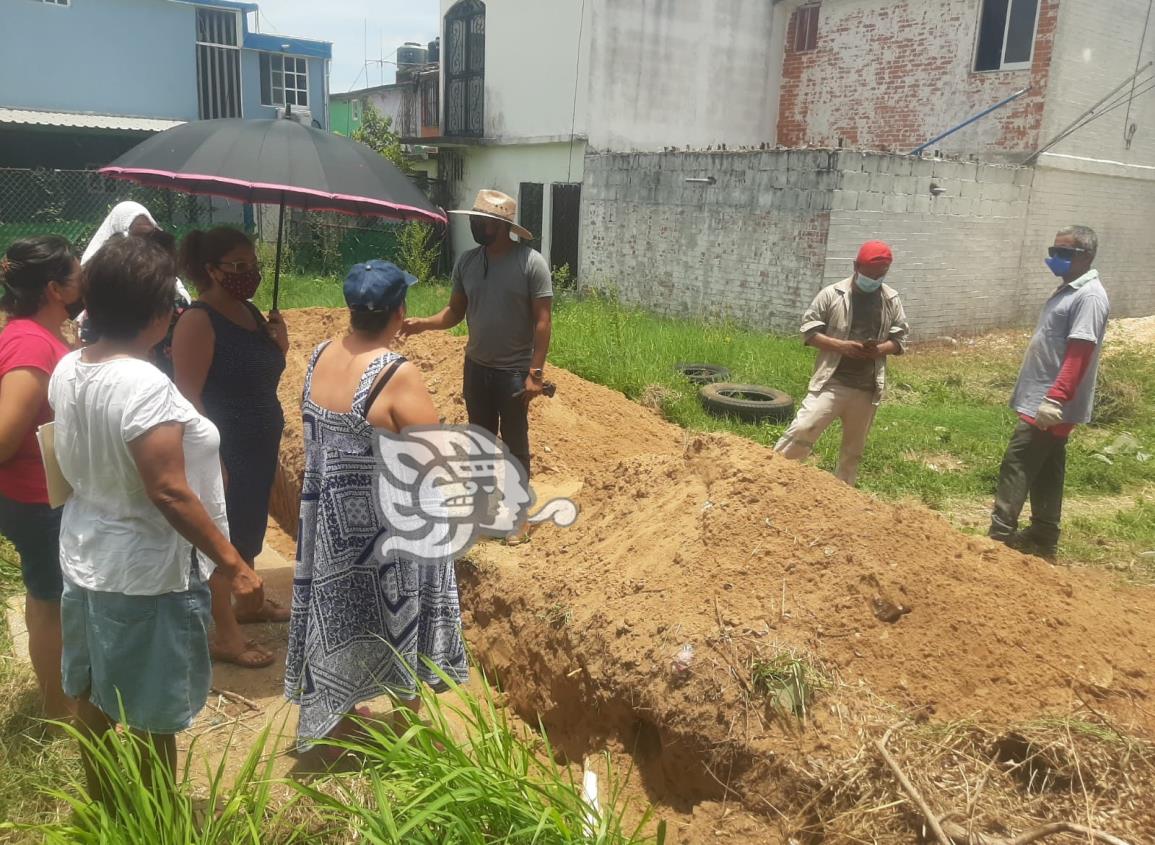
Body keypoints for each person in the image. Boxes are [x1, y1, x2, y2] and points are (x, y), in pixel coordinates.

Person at [48, 234, 263, 801]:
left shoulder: (70, 368)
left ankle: (103, 805)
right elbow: (168, 491)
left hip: (87, 556)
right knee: (151, 712)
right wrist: (232, 561)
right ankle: (157, 819)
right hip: (145, 574)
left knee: (94, 693)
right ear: (158, 312)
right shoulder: (144, 384)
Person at [285, 260, 468, 754]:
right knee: (398, 614)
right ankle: (409, 723)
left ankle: (340, 714)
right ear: (400, 311)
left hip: (331, 526)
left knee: (345, 613)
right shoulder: (395, 373)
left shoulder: (320, 354)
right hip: (387, 529)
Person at [402, 189, 553, 535]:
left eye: (479, 221)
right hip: (477, 367)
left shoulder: (531, 263)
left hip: (514, 371)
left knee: (515, 441)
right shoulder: (468, 262)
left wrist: (536, 373)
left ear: (500, 226)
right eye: (472, 219)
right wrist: (424, 324)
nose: (473, 225)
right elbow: (456, 311)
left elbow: (543, 321)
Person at [172, 227, 289, 669]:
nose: (250, 274)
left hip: (259, 441)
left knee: (248, 524)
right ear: (211, 270)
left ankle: (251, 603)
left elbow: (263, 375)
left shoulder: (252, 312)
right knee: (223, 537)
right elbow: (187, 396)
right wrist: (210, 457)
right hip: (224, 445)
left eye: (253, 265)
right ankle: (225, 634)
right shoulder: (198, 320)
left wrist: (280, 344)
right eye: (238, 267)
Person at [988, 226, 1110, 561]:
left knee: (1018, 461)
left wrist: (1055, 398)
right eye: (1053, 250)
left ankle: (998, 537)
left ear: (1086, 256)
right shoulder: (1071, 290)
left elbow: (1080, 351)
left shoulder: (1089, 296)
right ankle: (1043, 536)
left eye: (1064, 253)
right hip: (1044, 397)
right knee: (1047, 467)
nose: (1055, 258)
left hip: (1049, 402)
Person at [0, 236, 82, 720]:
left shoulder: (34, 332)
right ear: (55, 288)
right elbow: (6, 435)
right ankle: (58, 712)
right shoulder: (31, 342)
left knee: (47, 594)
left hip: (40, 496)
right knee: (50, 601)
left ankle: (60, 701)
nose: (84, 280)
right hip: (37, 500)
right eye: (77, 272)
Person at [774, 241, 910, 486]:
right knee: (803, 428)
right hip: (833, 382)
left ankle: (843, 494)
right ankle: (772, 477)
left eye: (881, 274)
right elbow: (809, 332)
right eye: (870, 274)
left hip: (868, 388)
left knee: (853, 451)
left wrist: (878, 350)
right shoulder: (832, 294)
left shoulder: (891, 299)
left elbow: (900, 340)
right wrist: (842, 346)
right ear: (856, 266)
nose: (875, 279)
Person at [77, 201, 192, 347]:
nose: (144, 244)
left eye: (150, 235)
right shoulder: (96, 278)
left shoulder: (166, 280)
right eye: (136, 236)